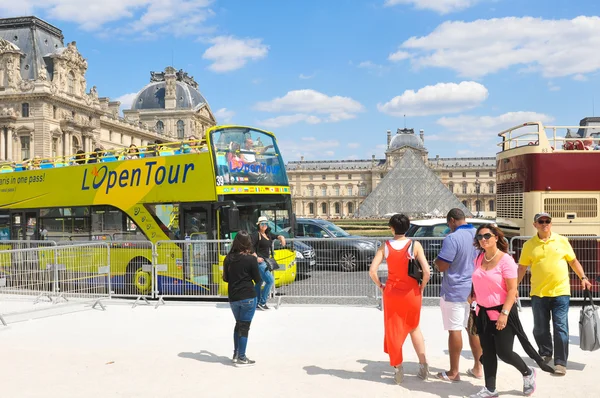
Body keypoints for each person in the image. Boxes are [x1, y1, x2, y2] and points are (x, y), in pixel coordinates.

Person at [517, 212, 592, 376]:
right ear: (535, 224)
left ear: (551, 223)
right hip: (538, 293)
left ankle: (560, 362)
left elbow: (573, 261)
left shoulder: (562, 240)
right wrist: (514, 287)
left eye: (547, 221)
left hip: (561, 292)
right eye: (541, 221)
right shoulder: (529, 245)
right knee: (540, 329)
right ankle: (545, 353)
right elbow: (522, 267)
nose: (545, 224)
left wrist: (583, 277)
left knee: (561, 328)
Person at [470, 224, 539, 398]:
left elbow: (512, 290)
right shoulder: (479, 258)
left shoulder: (506, 260)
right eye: (480, 237)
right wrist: (472, 297)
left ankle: (527, 372)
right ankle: (490, 388)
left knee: (505, 353)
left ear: (496, 237)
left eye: (487, 236)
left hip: (503, 313)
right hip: (482, 313)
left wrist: (505, 314)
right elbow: (478, 281)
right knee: (488, 352)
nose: (483, 240)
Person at [369, 213, 431, 384]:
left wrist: (381, 286)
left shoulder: (385, 246)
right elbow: (426, 271)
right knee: (414, 327)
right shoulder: (415, 245)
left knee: (394, 330)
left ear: (392, 228)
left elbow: (372, 271)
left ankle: (398, 368)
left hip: (392, 293)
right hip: (412, 293)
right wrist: (421, 287)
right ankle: (424, 366)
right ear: (408, 227)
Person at [434, 208, 483, 381]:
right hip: (475, 290)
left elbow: (443, 265)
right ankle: (478, 367)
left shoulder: (452, 238)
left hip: (455, 290)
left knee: (454, 330)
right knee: (473, 330)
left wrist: (435, 262)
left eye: (449, 224)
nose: (449, 226)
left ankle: (454, 372)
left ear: (453, 220)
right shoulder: (478, 235)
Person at [222, 230, 261, 367]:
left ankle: (236, 353)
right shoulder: (251, 259)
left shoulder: (228, 258)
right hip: (248, 295)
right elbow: (258, 280)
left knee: (238, 324)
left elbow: (226, 278)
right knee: (244, 327)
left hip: (233, 296)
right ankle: (242, 357)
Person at [251, 216, 286, 310]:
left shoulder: (268, 234)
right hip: (260, 262)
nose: (264, 225)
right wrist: (256, 257)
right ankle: (262, 302)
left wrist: (281, 237)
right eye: (262, 223)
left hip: (266, 261)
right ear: (258, 225)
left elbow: (276, 236)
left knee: (259, 282)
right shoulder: (255, 235)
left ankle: (257, 302)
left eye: (266, 223)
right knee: (270, 281)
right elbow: (250, 247)